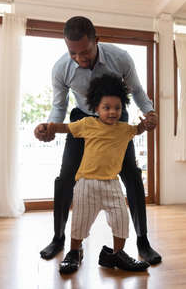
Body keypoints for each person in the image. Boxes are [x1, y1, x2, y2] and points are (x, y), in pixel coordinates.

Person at [34, 16, 161, 266]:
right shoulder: (61, 68)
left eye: (85, 51)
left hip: (116, 118)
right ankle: (59, 238)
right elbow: (58, 106)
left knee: (132, 175)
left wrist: (150, 112)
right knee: (66, 177)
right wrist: (49, 127)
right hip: (83, 119)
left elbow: (136, 90)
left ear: (97, 41)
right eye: (73, 52)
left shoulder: (120, 57)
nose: (80, 58)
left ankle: (143, 241)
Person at [38, 74, 151, 273]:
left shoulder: (124, 129)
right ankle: (74, 252)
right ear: (96, 108)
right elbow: (66, 127)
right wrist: (47, 127)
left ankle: (116, 255)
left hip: (112, 184)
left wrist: (147, 122)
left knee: (121, 220)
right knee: (80, 222)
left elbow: (138, 129)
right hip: (86, 184)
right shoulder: (87, 124)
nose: (112, 112)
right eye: (106, 107)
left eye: (117, 108)